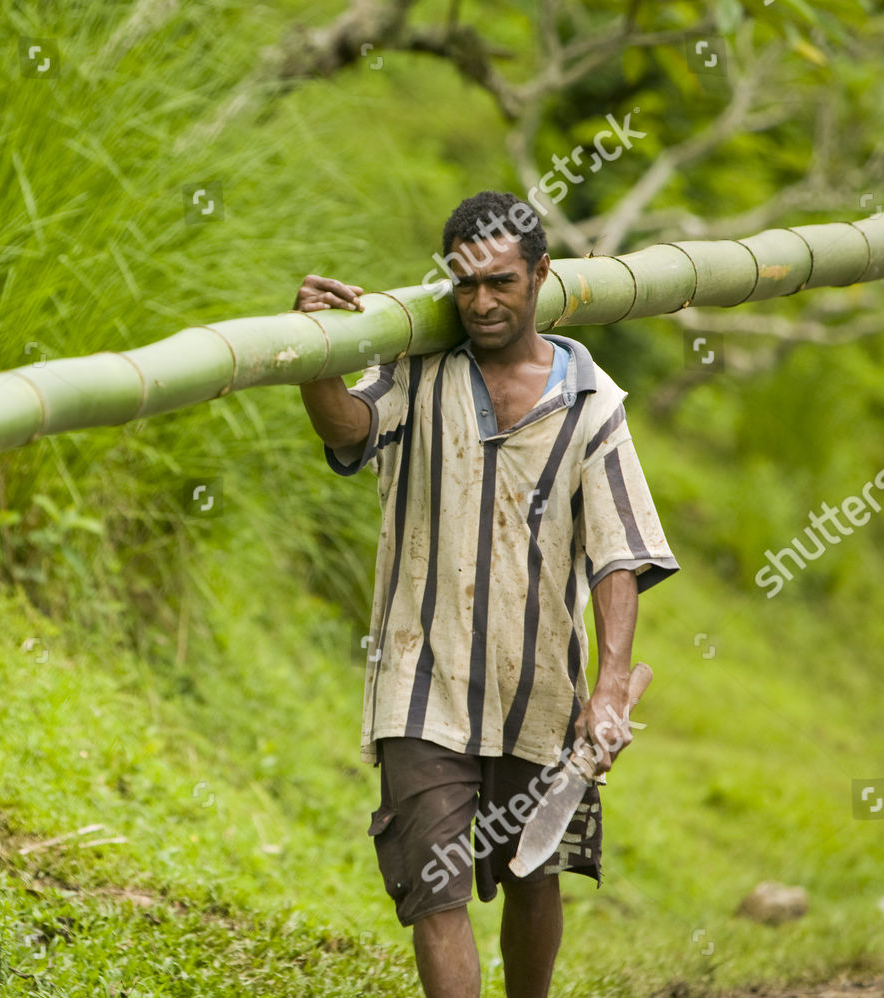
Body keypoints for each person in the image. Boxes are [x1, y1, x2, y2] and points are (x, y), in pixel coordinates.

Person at [294, 190, 678, 998]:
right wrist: (316, 351)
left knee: (532, 873)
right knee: (436, 891)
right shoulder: (416, 368)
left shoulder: (591, 402)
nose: (481, 303)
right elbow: (346, 430)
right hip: (420, 681)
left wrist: (608, 689)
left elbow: (619, 555)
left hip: (535, 688)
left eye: (501, 283)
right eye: (465, 285)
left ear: (540, 275)